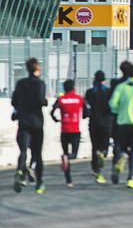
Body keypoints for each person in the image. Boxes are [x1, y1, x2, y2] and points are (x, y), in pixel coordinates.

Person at [108, 63, 133, 189]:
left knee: (120, 146)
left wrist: (119, 111)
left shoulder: (120, 87)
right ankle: (130, 178)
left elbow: (112, 104)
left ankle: (120, 158)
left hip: (122, 122)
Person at [12, 58, 47, 194]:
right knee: (37, 154)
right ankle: (39, 183)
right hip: (36, 123)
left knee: (23, 151)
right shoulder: (40, 84)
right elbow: (40, 100)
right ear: (37, 68)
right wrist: (44, 102)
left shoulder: (20, 84)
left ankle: (20, 171)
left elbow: (14, 101)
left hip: (23, 121)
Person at [50, 79, 85, 188]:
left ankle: (68, 180)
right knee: (74, 154)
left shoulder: (61, 99)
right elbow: (87, 111)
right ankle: (67, 157)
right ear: (74, 87)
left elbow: (52, 111)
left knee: (65, 154)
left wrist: (55, 119)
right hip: (75, 130)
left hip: (64, 130)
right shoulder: (79, 99)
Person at [84, 70, 112, 184]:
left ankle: (95, 167)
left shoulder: (90, 92)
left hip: (94, 121)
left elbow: (87, 107)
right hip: (106, 122)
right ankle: (103, 153)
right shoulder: (109, 91)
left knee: (94, 145)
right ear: (104, 80)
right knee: (105, 143)